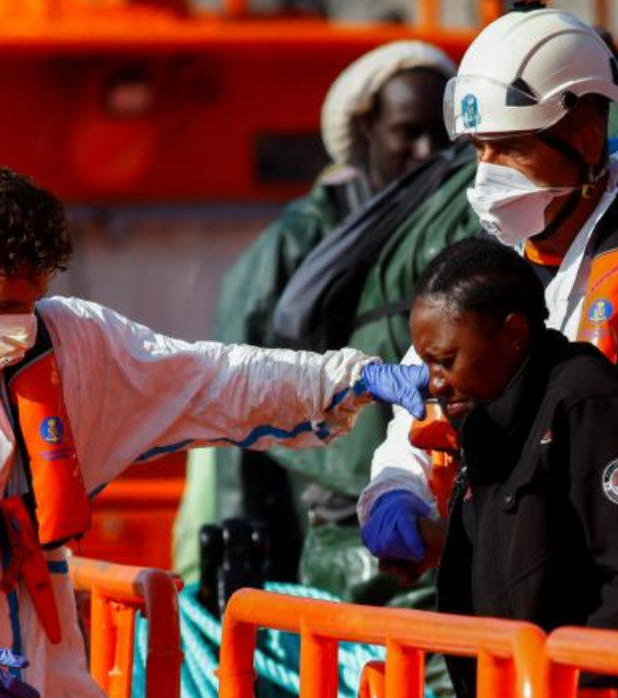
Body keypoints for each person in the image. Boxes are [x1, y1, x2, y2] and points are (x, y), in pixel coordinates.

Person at [0, 164, 428, 698]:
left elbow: (210, 378)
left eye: (29, 303)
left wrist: (353, 379)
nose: (20, 324)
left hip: (41, 673)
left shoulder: (72, 342)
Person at [269, 2, 618, 608]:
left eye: (507, 149)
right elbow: (417, 425)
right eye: (479, 150)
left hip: (615, 630)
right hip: (494, 631)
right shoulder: (481, 278)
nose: (485, 175)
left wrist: (606, 505)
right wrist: (393, 493)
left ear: (585, 143)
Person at [402, 237, 618, 698]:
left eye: (445, 361)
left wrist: (561, 681)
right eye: (426, 365)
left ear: (513, 334)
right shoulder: (489, 425)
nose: (435, 384)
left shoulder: (593, 406)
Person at [194, 40, 455, 582]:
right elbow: (239, 380)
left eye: (443, 133)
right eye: (408, 132)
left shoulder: (448, 216)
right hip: (321, 505)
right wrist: (238, 529)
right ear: (365, 134)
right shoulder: (304, 236)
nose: (428, 150)